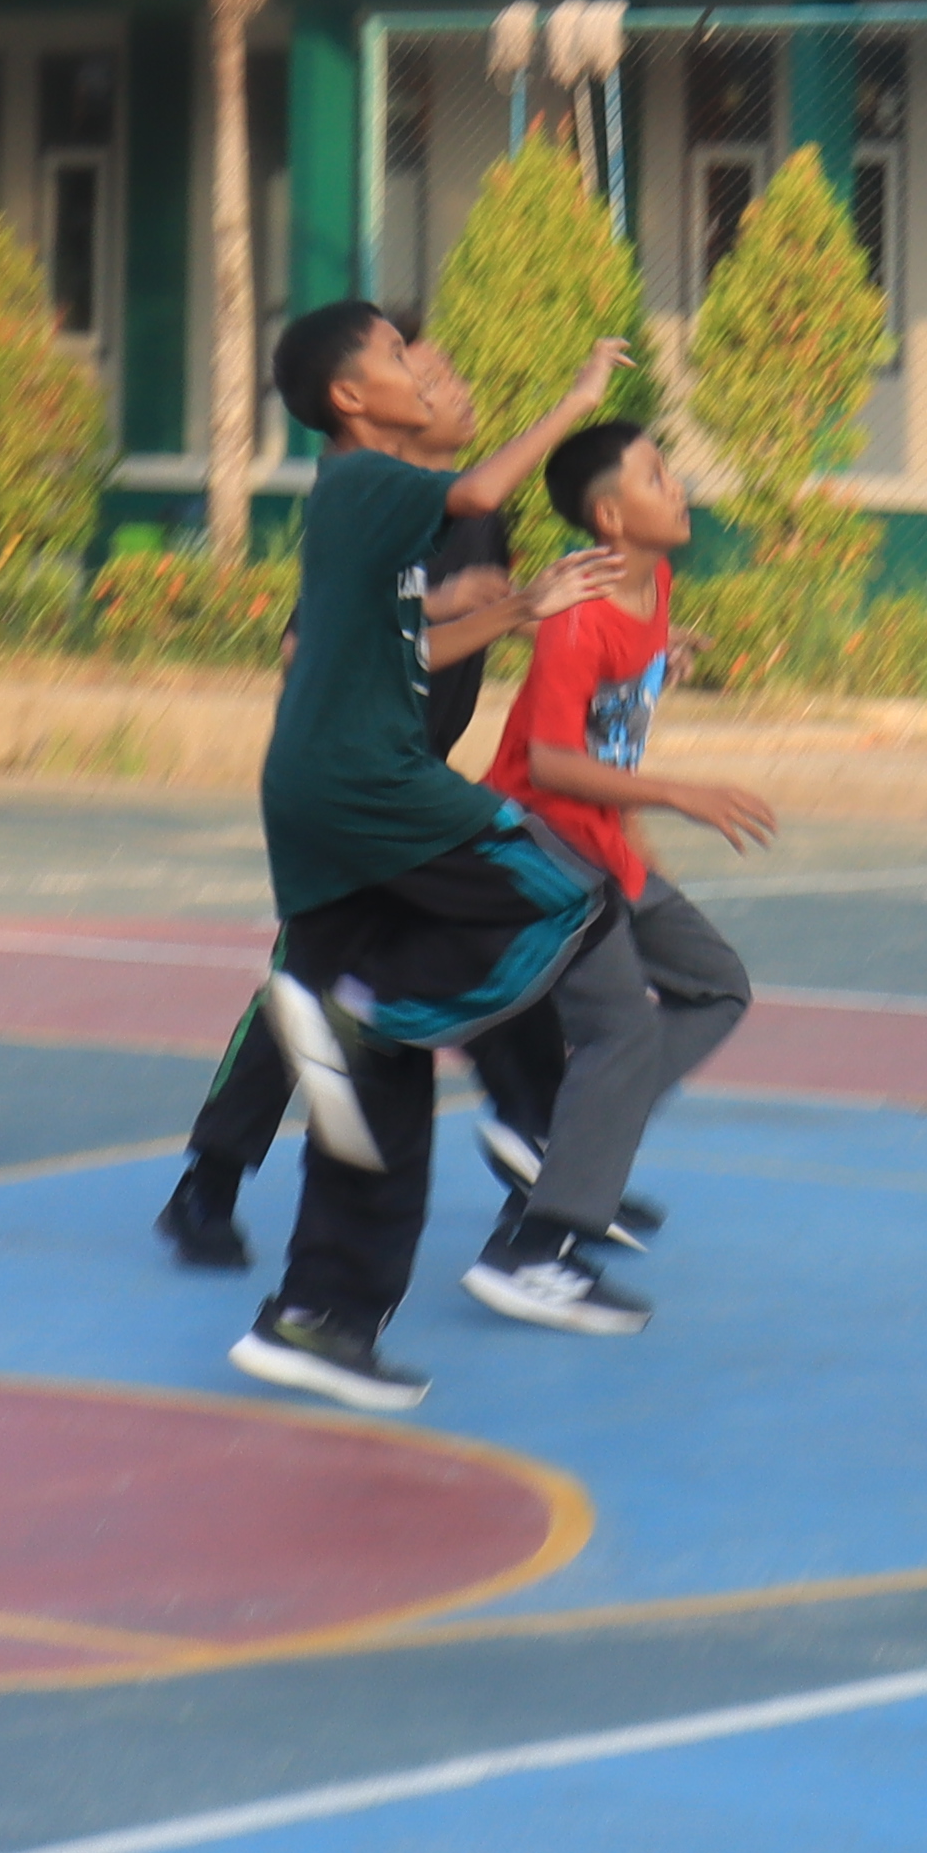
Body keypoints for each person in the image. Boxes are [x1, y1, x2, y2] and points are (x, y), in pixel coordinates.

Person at [198, 304, 668, 1406]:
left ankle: (320, 1315)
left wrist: (518, 608)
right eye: (399, 356)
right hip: (370, 785)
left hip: (320, 794)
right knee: (570, 896)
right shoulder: (366, 479)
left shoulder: (369, 513)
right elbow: (479, 491)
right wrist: (576, 402)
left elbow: (404, 643)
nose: (421, 369)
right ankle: (361, 1005)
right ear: (352, 398)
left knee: (385, 1083)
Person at [459, 420, 771, 1249]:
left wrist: (659, 654)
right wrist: (677, 793)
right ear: (609, 517)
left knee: (717, 986)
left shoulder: (654, 580)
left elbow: (614, 700)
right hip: (540, 851)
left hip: (602, 845)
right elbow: (553, 763)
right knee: (621, 1033)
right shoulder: (579, 616)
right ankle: (545, 1224)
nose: (679, 486)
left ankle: (568, 1145)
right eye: (656, 476)